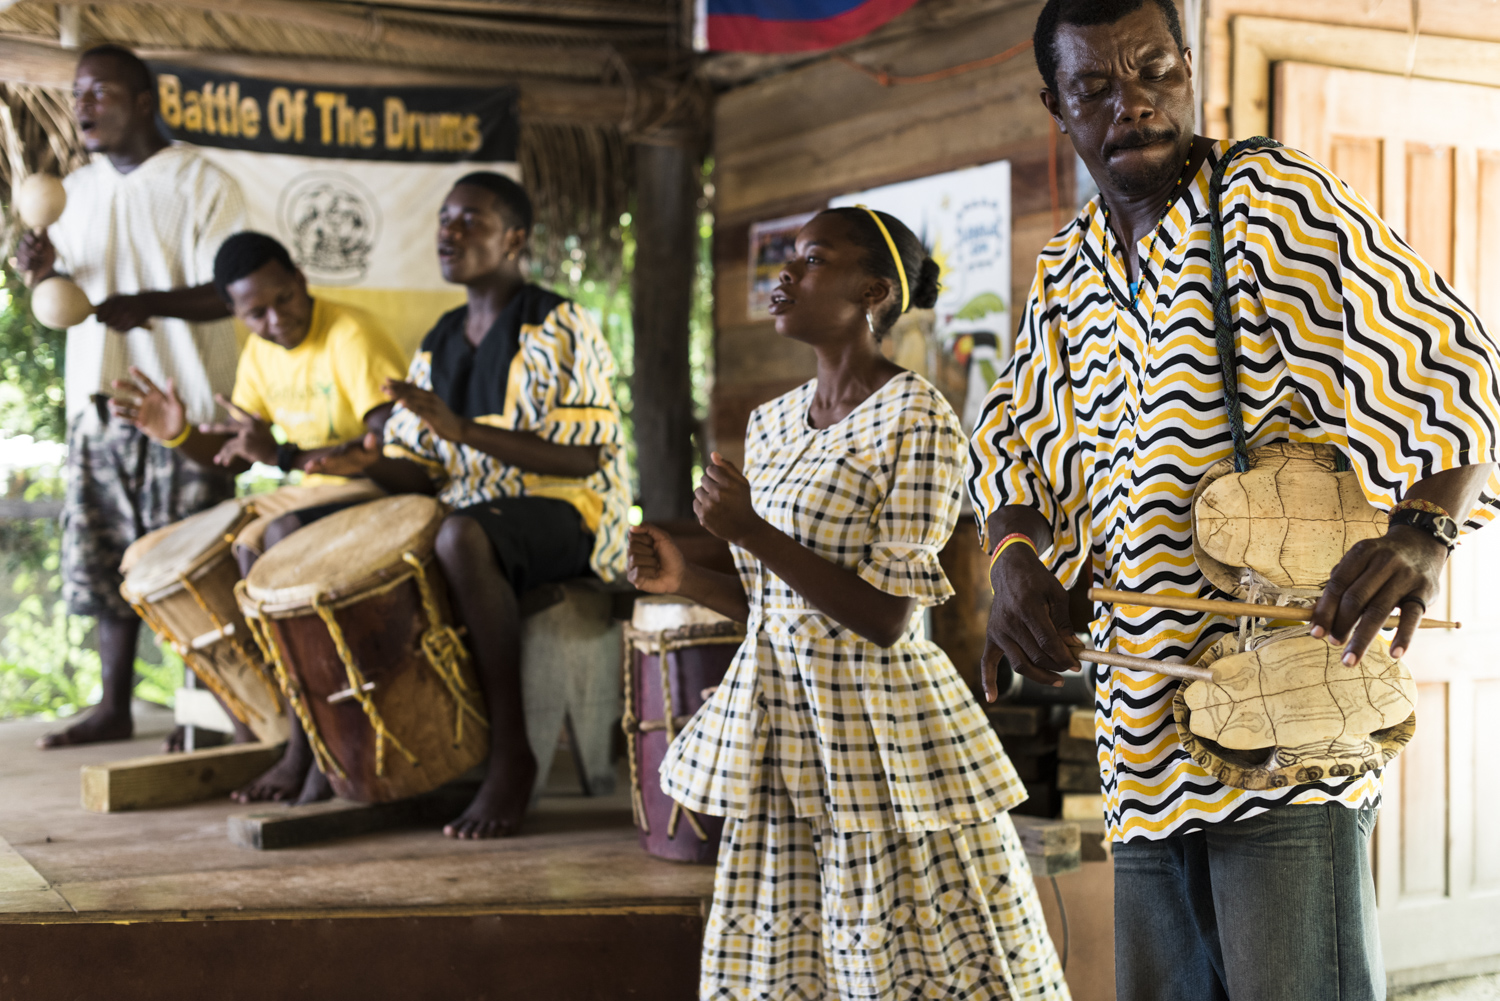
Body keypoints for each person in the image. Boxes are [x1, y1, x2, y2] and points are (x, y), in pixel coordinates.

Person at [968, 2, 1500, 999]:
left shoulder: (1266, 201)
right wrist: (1012, 564)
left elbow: (1454, 360)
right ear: (1057, 106)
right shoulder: (1069, 270)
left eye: (1157, 72)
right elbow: (1011, 447)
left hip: (1283, 722)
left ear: (1190, 67)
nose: (1134, 105)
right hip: (1141, 744)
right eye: (1096, 88)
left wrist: (1425, 530)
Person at [630, 207, 1069, 1000]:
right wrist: (685, 579)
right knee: (792, 963)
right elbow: (776, 603)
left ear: (872, 291)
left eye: (813, 259)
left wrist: (749, 529)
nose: (786, 275)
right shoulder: (769, 426)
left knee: (910, 960)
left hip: (879, 738)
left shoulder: (919, 418)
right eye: (788, 258)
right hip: (784, 726)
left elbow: (887, 617)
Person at [310, 171, 631, 838]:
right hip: (474, 510)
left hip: (569, 510)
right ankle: (350, 747)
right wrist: (368, 463)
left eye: (470, 221)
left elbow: (584, 457)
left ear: (514, 238)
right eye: (445, 219)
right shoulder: (441, 337)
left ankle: (511, 753)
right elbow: (425, 470)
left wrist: (462, 431)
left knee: (460, 538)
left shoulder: (560, 323)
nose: (449, 232)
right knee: (318, 530)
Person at [110, 230, 409, 802]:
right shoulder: (258, 354)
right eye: (256, 313)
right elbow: (233, 457)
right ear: (233, 312)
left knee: (263, 543)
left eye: (284, 300)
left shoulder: (352, 334)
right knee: (149, 559)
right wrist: (177, 433)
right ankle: (263, 720)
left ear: (300, 280)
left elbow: (383, 448)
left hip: (374, 491)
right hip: (304, 490)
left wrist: (285, 457)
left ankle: (309, 744)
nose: (276, 320)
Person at [16, 44, 246, 750]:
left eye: (100, 93)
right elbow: (62, 299)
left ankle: (206, 712)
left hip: (186, 408)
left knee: (190, 569)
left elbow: (235, 290)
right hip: (99, 406)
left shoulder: (204, 182)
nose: (83, 105)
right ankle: (113, 703)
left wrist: (147, 301)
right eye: (79, 93)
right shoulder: (74, 192)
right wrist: (43, 269)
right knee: (102, 557)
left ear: (144, 102)